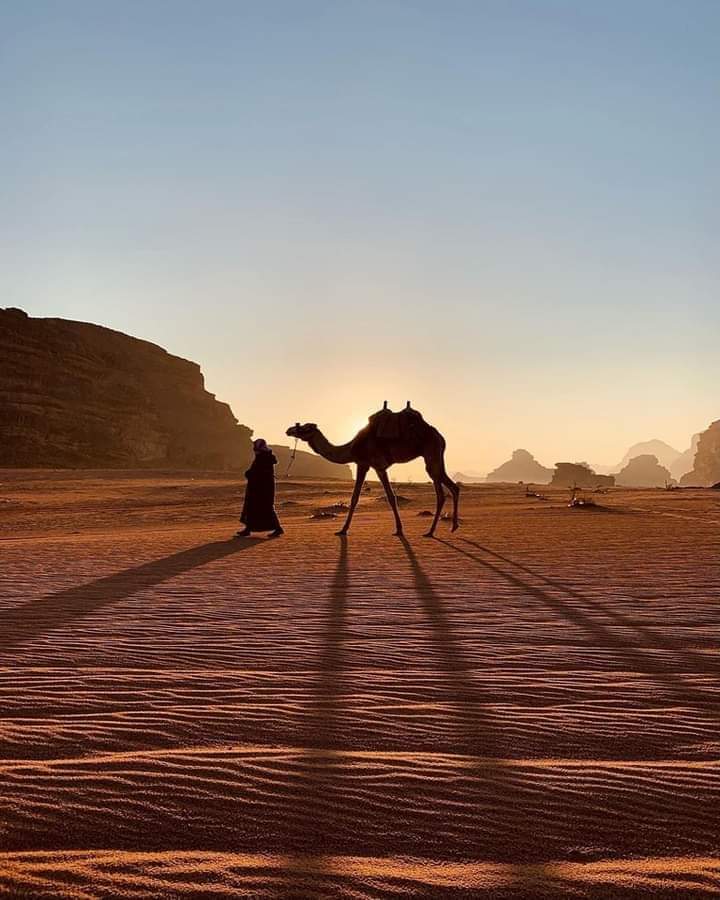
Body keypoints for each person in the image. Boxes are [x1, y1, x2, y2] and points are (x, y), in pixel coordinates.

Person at [237, 438, 284, 538]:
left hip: (262, 487)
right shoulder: (264, 456)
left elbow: (260, 472)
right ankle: (248, 529)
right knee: (254, 507)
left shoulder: (263, 457)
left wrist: (250, 474)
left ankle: (277, 528)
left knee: (265, 507)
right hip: (259, 486)